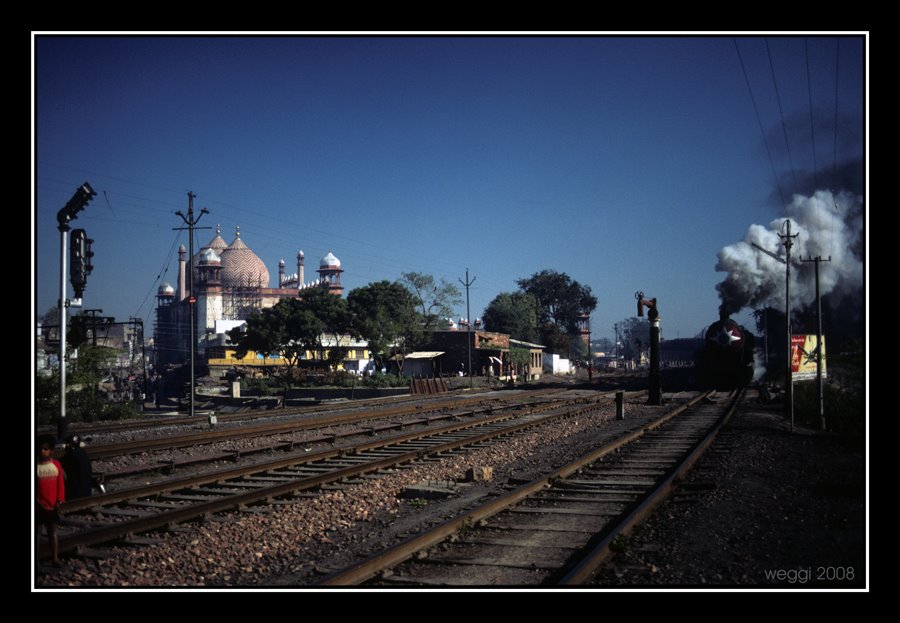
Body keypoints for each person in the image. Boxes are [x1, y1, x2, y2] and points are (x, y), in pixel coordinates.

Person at [36, 434, 65, 567]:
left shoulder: (56, 465)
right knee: (37, 532)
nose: (43, 451)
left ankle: (55, 557)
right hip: (39, 506)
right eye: (41, 449)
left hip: (53, 505)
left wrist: (59, 500)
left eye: (45, 449)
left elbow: (60, 484)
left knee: (53, 531)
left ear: (51, 451)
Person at [61, 435, 93, 500]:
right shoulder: (83, 453)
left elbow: (60, 464)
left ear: (69, 444)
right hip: (87, 492)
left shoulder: (69, 456)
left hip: (74, 494)